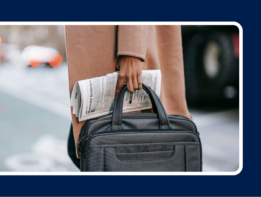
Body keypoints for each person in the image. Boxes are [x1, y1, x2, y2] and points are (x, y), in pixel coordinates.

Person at [65, 25, 192, 168]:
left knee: (95, 152)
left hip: (122, 48)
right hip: (112, 45)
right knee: (83, 148)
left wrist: (132, 50)